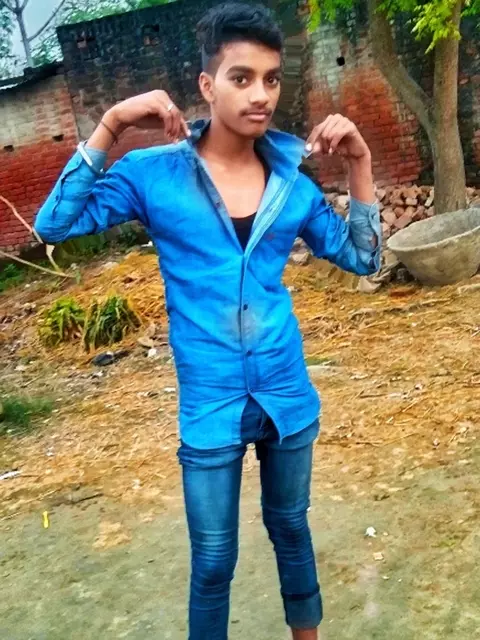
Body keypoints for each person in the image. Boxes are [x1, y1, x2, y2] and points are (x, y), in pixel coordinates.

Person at [34, 3, 380, 638]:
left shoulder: (292, 184)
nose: (260, 94)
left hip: (286, 393)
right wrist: (112, 123)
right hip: (210, 402)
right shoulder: (155, 175)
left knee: (291, 529)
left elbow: (363, 258)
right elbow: (55, 224)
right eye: (241, 77)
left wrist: (359, 163)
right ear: (206, 85)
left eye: (271, 79)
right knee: (214, 560)